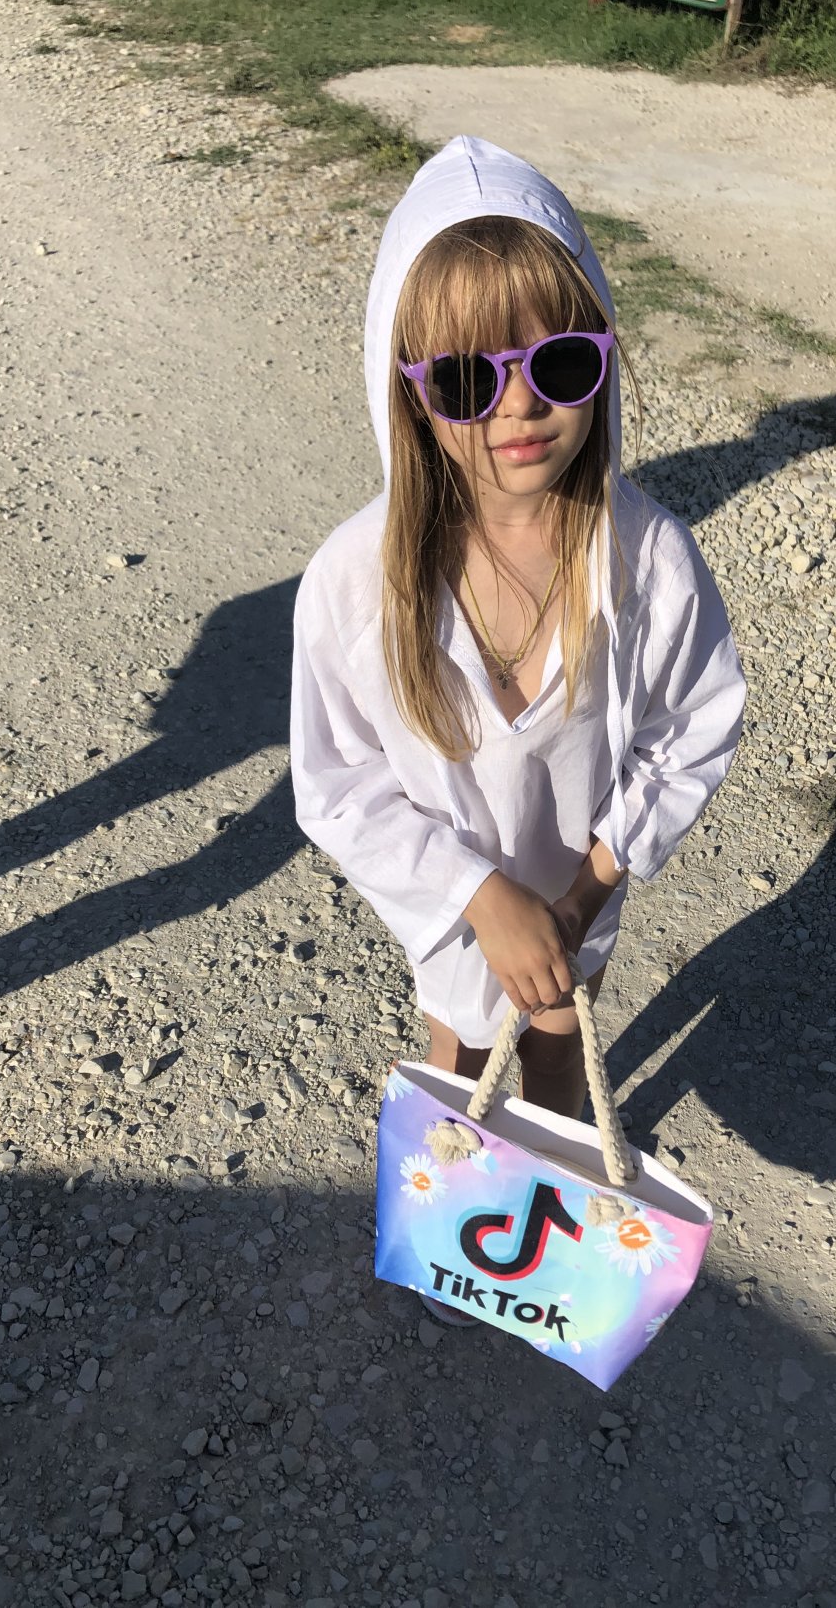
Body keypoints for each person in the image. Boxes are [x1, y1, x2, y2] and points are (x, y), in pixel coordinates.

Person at [290, 136, 745, 1322]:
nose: (518, 407)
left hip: (581, 888)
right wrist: (477, 895)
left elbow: (693, 727)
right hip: (451, 908)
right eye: (462, 380)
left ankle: (539, 1237)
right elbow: (337, 781)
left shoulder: (647, 559)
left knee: (553, 1041)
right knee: (457, 1043)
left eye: (559, 361)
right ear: (406, 390)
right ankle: (460, 1244)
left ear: (604, 358)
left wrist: (586, 890)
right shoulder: (353, 581)